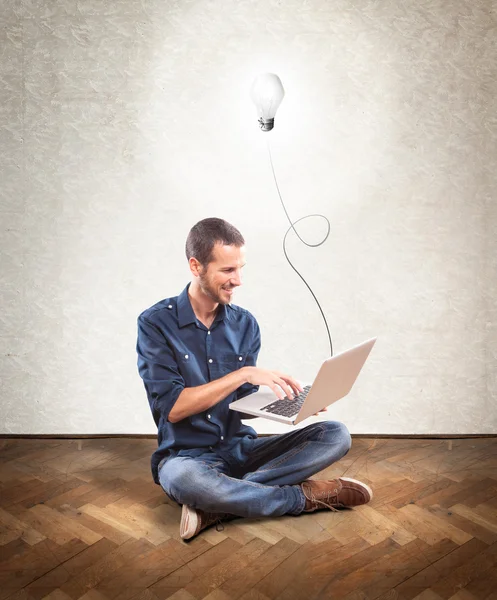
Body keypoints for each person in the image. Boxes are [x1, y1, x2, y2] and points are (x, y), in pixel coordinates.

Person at [136, 217, 372, 540]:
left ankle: (215, 504)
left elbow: (239, 405)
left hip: (242, 451)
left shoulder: (246, 325)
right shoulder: (155, 324)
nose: (239, 280)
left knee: (337, 435)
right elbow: (173, 409)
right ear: (196, 266)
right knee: (185, 482)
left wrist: (289, 404)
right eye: (228, 270)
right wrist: (244, 373)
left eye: (241, 268)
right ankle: (304, 497)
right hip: (186, 458)